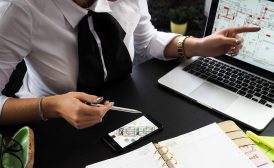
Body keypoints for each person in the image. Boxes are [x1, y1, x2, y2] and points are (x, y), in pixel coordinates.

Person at [0, 0, 260, 129]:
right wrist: (52, 106)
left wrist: (196, 45)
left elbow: (146, 40)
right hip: (52, 123)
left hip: (124, 102)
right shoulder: (18, 9)